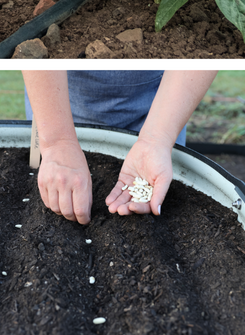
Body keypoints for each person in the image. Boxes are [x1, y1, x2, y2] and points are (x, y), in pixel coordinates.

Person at [22, 70, 217, 225]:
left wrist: (156, 140)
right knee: (47, 183)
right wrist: (57, 143)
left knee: (162, 206)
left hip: (163, 111)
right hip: (53, 109)